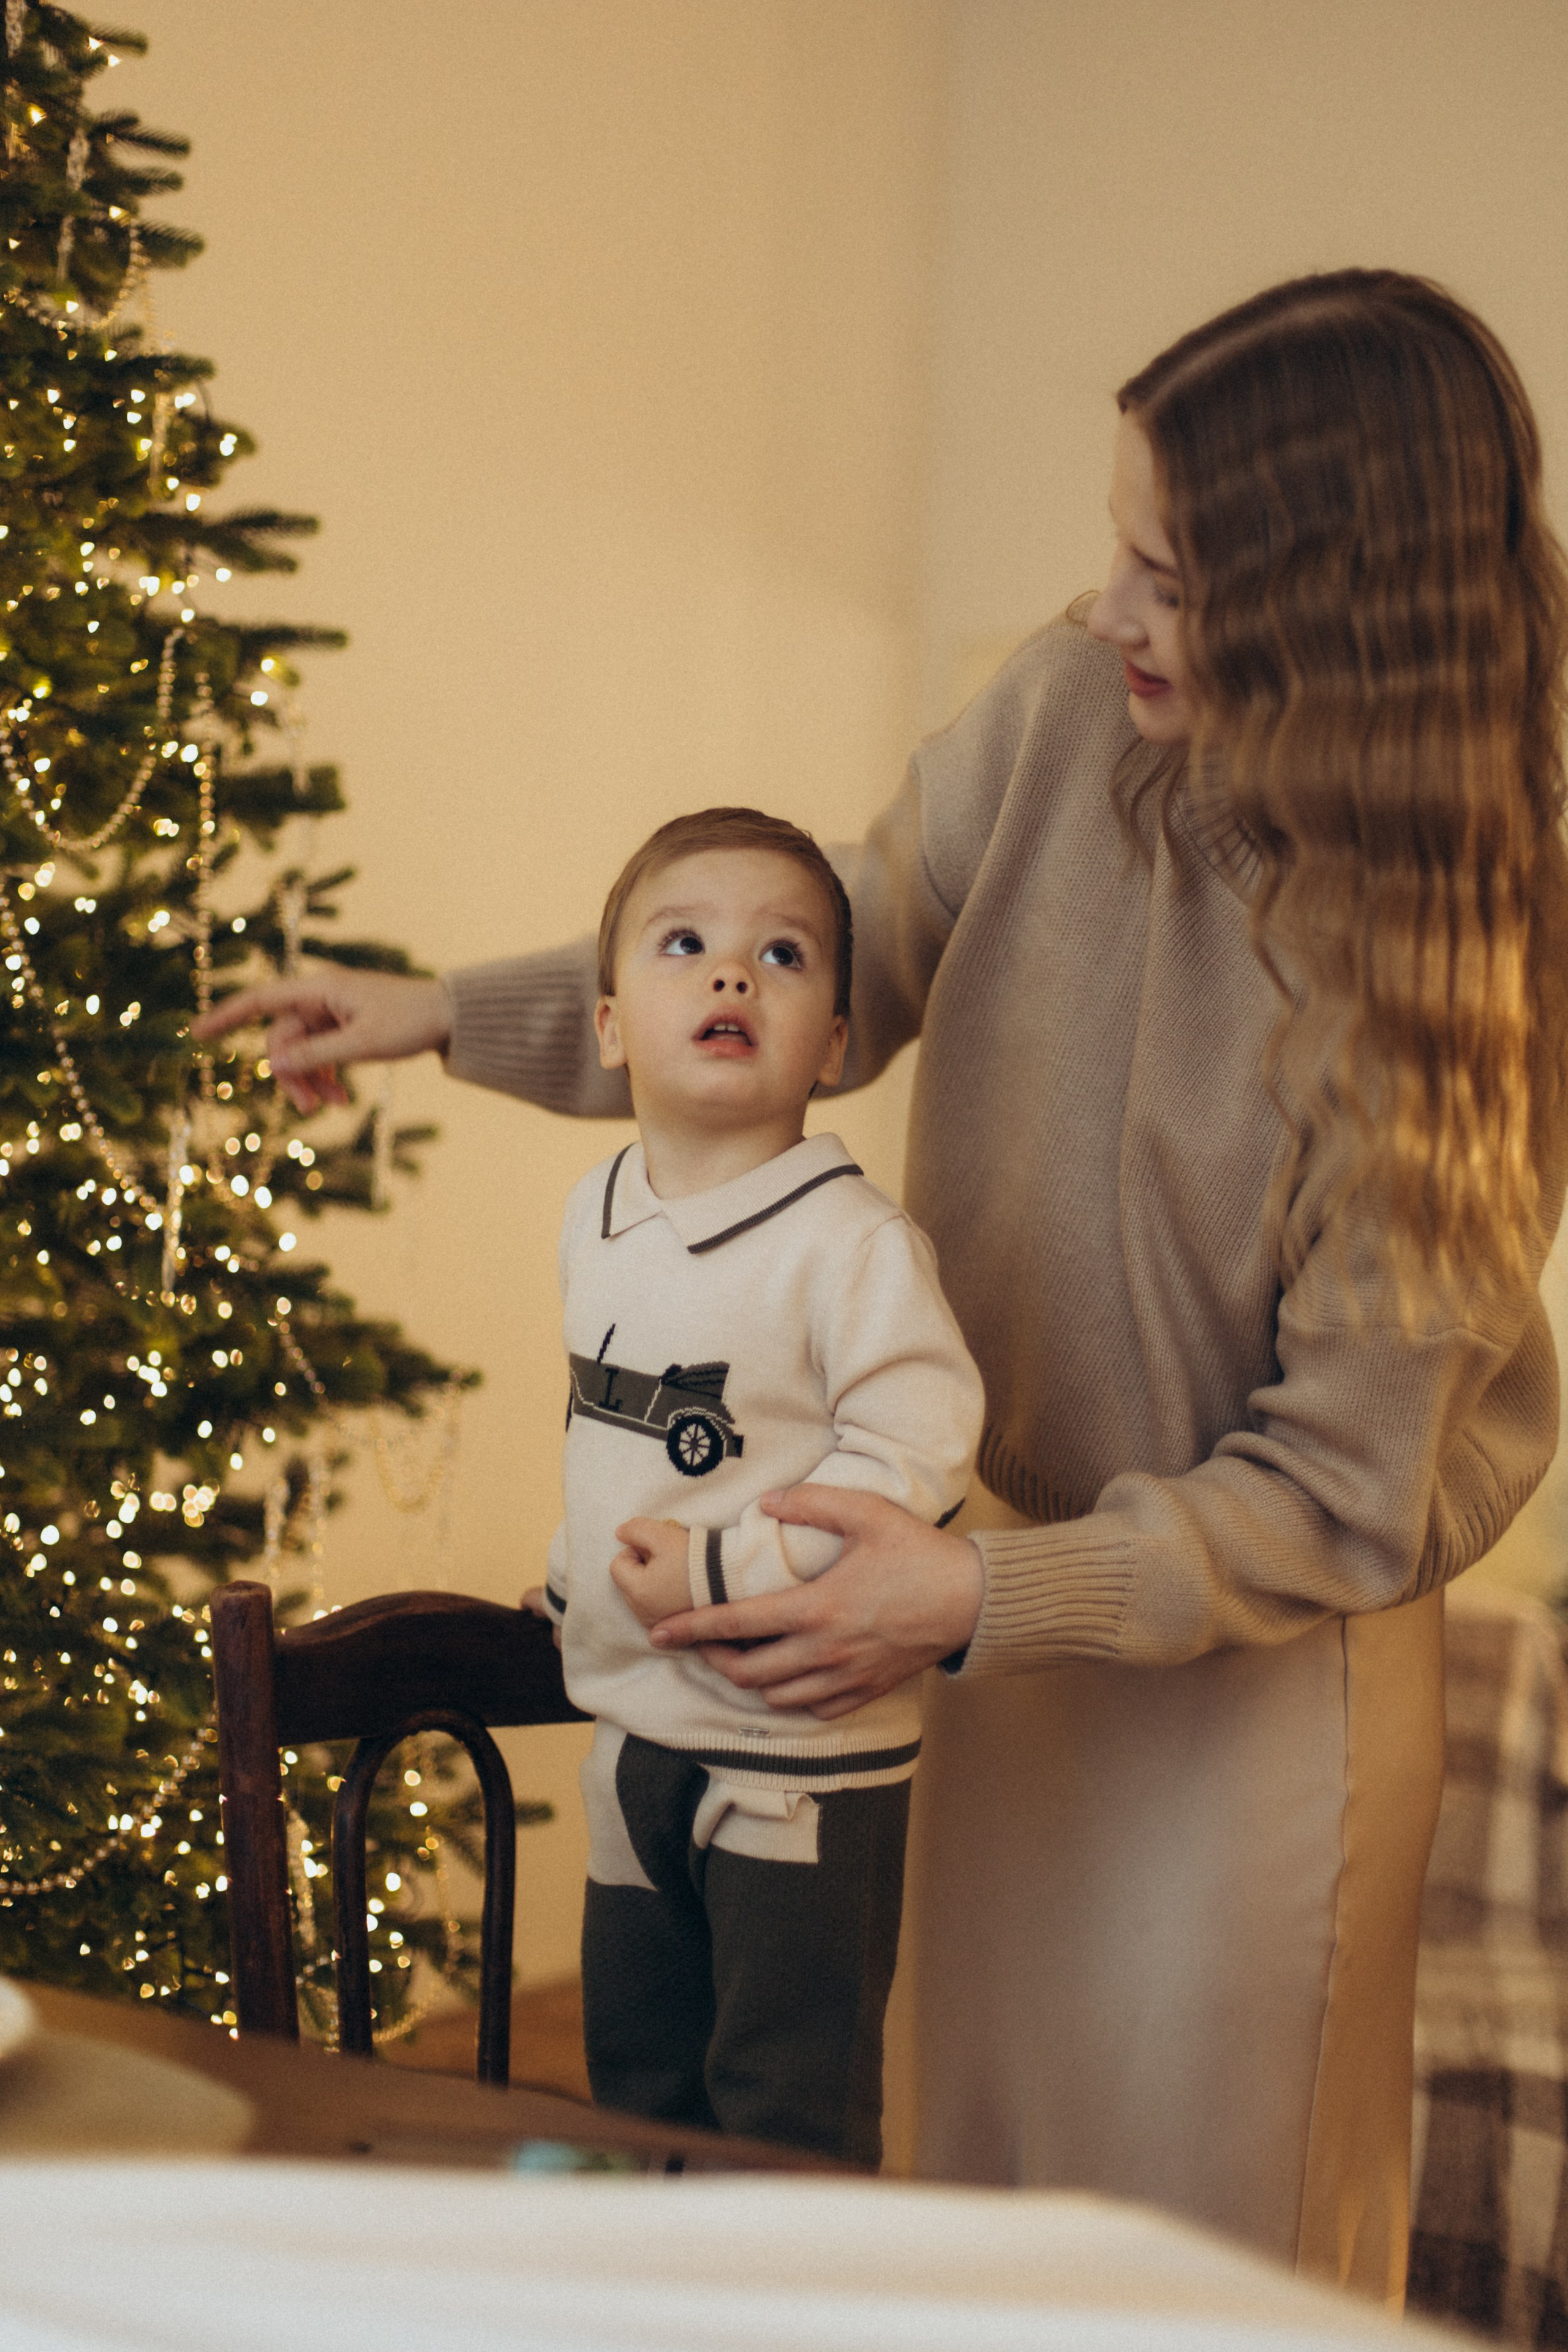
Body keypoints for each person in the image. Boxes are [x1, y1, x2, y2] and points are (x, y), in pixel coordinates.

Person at [197, 270, 1568, 2304]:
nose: (1109, 608)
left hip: (1242, 1704)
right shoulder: (1061, 717)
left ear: (1341, 627)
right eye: (1114, 545)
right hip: (971, 1626)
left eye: (1168, 577)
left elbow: (1345, 1496)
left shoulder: (1455, 979)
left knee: (1195, 2275)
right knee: (954, 2227)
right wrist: (428, 1017)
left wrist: (982, 1598)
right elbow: (803, 987)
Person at [533, 807, 980, 2163]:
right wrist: (571, 1579)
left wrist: (732, 1574)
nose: (732, 976)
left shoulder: (849, 1245)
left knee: (785, 2115)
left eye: (780, 957)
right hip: (632, 1737)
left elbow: (915, 1448)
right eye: (687, 945)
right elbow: (596, 1429)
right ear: (611, 1023)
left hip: (795, 1754)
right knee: (640, 2089)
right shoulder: (595, 1208)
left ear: (833, 1047)